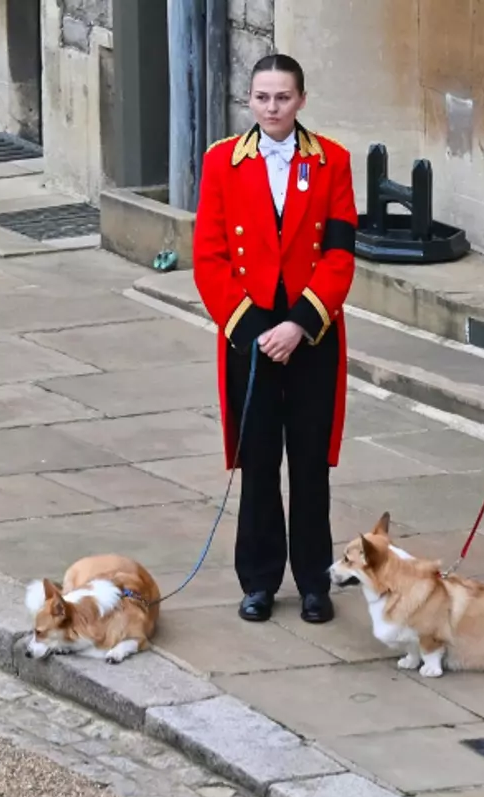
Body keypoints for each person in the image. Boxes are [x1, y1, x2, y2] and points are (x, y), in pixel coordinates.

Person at [193, 54, 356, 626]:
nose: (271, 108)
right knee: (258, 460)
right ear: (250, 100)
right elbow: (208, 258)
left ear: (301, 100)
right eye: (262, 98)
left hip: (310, 333)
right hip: (250, 334)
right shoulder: (221, 161)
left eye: (282, 98)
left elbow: (340, 254)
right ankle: (259, 580)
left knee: (310, 463)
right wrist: (255, 330)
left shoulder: (332, 160)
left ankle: (315, 581)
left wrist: (300, 325)